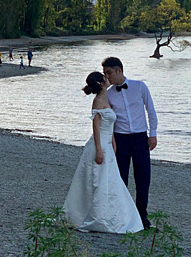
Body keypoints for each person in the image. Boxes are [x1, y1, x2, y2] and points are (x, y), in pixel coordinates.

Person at [62, 71, 144, 234]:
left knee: (111, 180)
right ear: (101, 83)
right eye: (105, 78)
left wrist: (113, 143)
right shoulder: (98, 101)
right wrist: (99, 149)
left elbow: (110, 126)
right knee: (99, 180)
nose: (108, 79)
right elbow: (96, 128)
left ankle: (112, 214)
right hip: (99, 145)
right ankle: (96, 216)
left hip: (107, 144)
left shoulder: (107, 99)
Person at [102, 56, 158, 230]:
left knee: (143, 179)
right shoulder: (109, 94)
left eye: (109, 73)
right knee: (121, 179)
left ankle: (142, 217)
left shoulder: (140, 86)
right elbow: (106, 119)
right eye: (105, 74)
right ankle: (122, 216)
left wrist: (153, 133)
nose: (107, 77)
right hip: (120, 140)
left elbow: (151, 110)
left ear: (119, 70)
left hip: (140, 138)